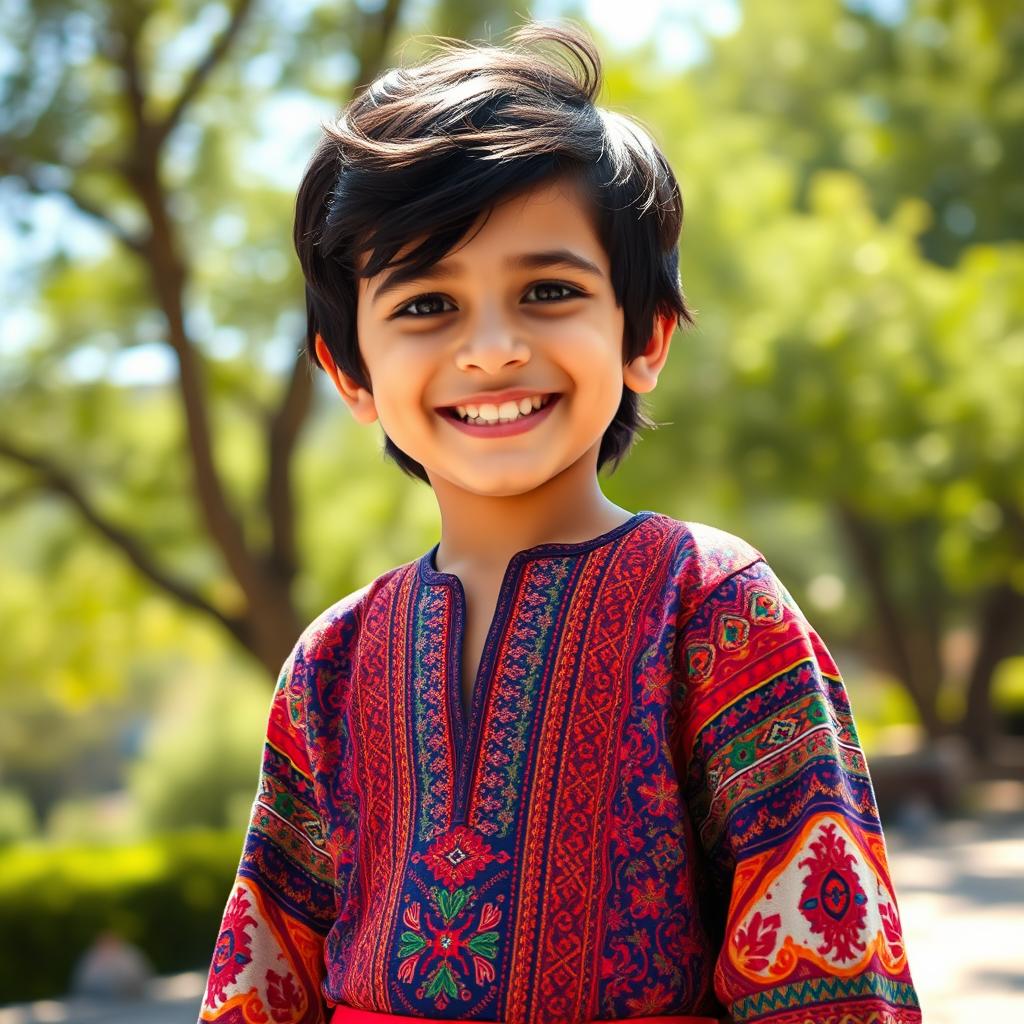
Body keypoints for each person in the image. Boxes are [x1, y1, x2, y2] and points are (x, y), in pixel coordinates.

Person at [197, 20, 921, 1024]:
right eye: (424, 305)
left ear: (644, 336)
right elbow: (261, 983)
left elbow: (833, 982)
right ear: (350, 374)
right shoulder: (330, 659)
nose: (491, 349)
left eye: (547, 291)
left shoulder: (714, 609)